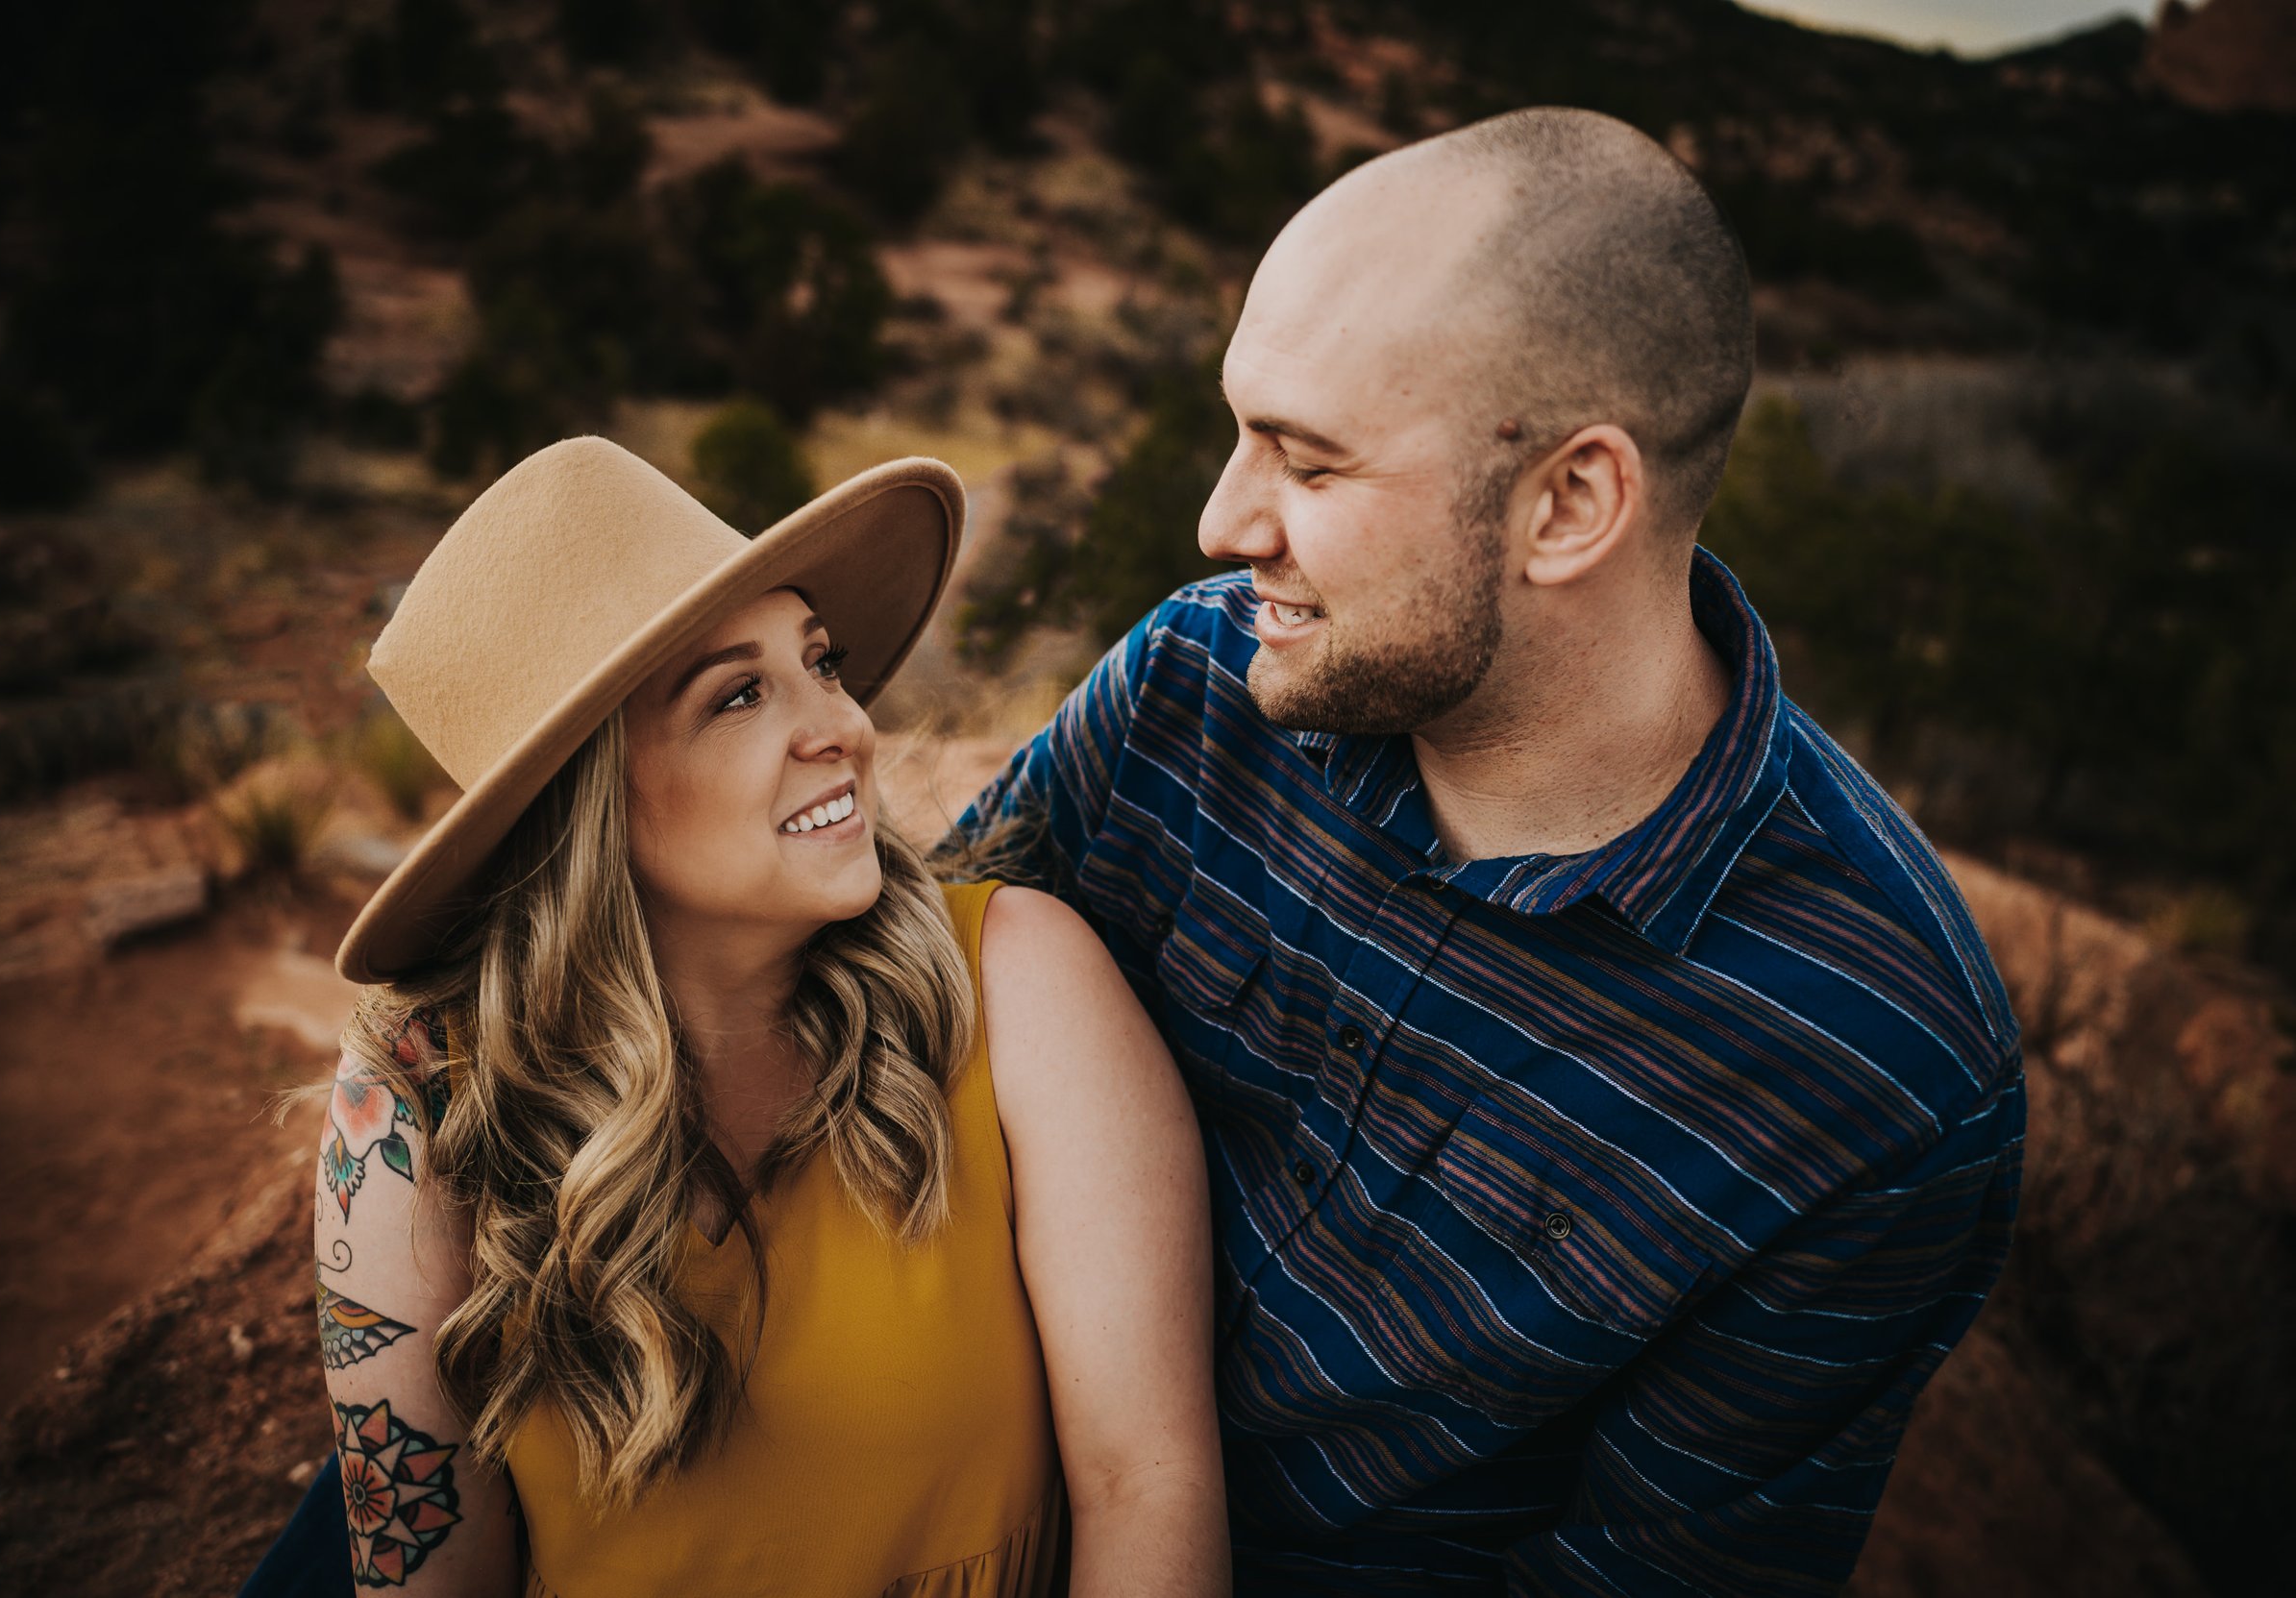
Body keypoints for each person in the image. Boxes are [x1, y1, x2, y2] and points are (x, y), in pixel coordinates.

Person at [955, 107, 2028, 1594]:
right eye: (1238, 427)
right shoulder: (1193, 686)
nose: (1219, 521)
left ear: (1570, 503)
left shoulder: (1879, 1070)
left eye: (1310, 466)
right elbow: (902, 1024)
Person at [250, 438, 1229, 1596]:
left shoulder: (1014, 983)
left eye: (822, 661)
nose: (841, 727)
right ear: (589, 803)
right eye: (741, 694)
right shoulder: (416, 1106)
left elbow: (1146, 1487)